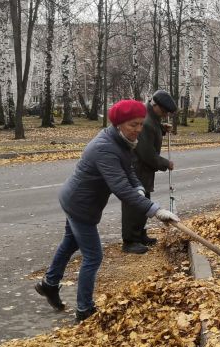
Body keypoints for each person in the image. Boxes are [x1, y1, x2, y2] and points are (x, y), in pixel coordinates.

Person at [35, 99, 180, 322]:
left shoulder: (121, 140)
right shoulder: (105, 147)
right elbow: (120, 187)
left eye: (141, 124)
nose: (138, 130)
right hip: (80, 205)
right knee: (93, 256)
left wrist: (139, 187)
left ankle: (49, 284)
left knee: (70, 243)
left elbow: (129, 169)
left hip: (76, 200)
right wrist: (155, 210)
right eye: (134, 125)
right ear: (119, 124)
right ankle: (84, 310)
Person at [121, 90, 178, 254]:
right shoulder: (145, 122)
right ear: (155, 105)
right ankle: (130, 240)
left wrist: (161, 129)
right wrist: (166, 163)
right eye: (164, 111)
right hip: (136, 168)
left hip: (142, 169)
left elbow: (153, 130)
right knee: (134, 203)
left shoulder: (150, 116)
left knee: (144, 200)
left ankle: (139, 234)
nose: (166, 115)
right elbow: (146, 153)